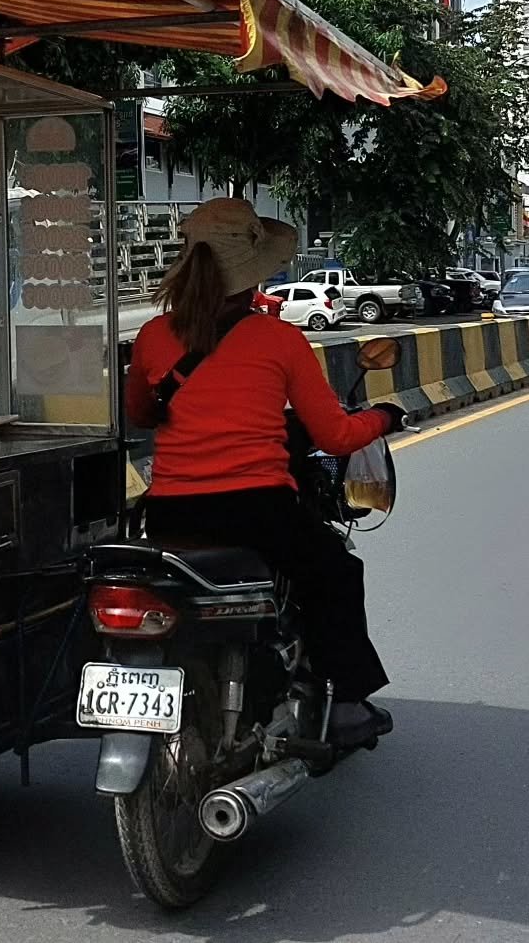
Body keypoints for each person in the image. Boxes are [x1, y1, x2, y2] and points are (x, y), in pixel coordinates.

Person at [124, 198, 405, 748]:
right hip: (257, 510)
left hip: (171, 513)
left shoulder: (156, 337)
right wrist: (385, 416)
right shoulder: (279, 340)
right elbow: (334, 436)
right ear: (253, 275)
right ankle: (346, 704)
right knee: (336, 574)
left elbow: (139, 412)